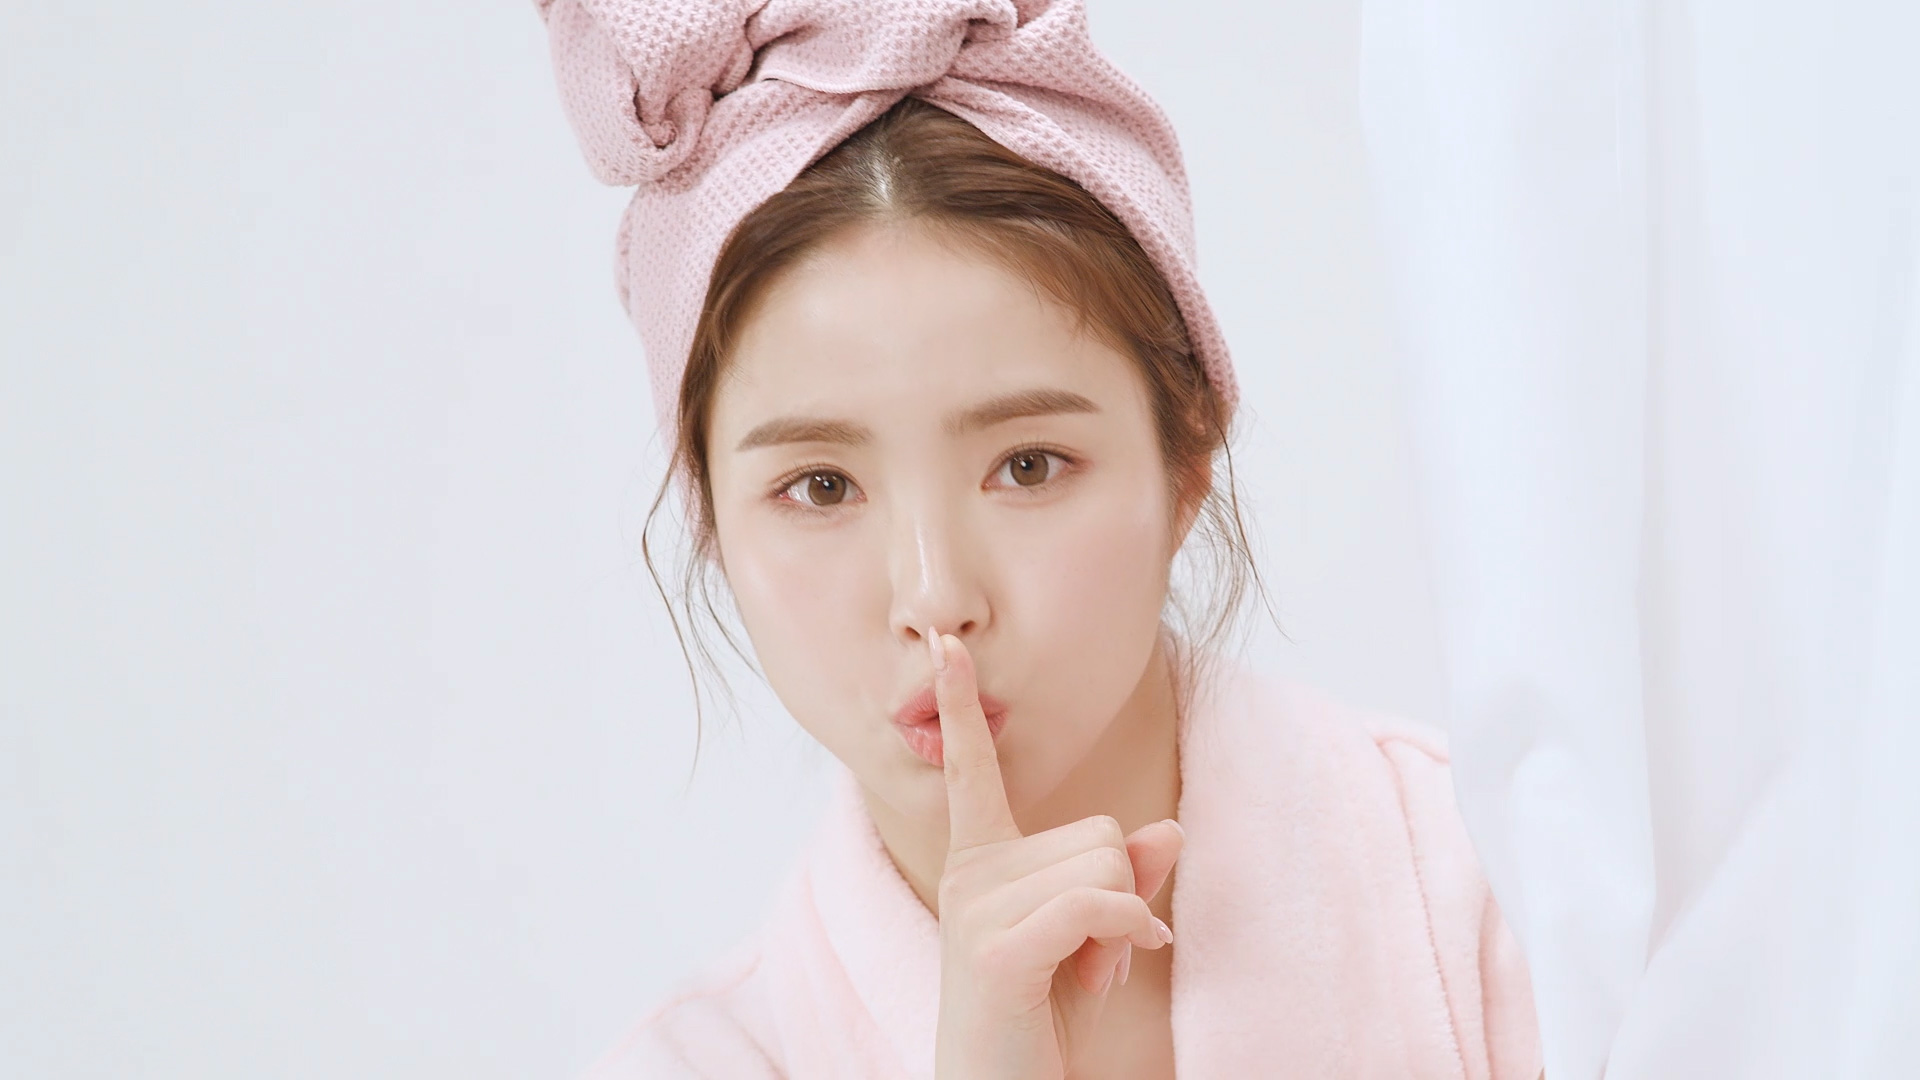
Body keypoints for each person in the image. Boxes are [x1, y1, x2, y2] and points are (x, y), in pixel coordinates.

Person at [534, 1, 1542, 1077]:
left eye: (1028, 466)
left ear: (1187, 455)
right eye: (821, 487)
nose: (935, 596)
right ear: (711, 518)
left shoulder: (1515, 891)